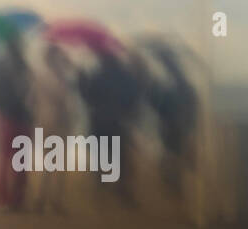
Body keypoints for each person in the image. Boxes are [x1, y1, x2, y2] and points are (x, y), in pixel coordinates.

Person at [77, 53, 142, 206]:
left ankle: (100, 189)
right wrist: (127, 113)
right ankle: (122, 192)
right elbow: (134, 97)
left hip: (99, 122)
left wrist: (82, 80)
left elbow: (88, 97)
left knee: (100, 157)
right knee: (120, 158)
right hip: (118, 122)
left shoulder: (97, 76)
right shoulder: (126, 76)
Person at [141, 44, 199, 200]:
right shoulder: (182, 85)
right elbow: (191, 106)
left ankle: (175, 184)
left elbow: (157, 105)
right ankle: (176, 184)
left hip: (173, 124)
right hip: (177, 124)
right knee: (175, 155)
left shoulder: (174, 85)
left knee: (173, 155)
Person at [0, 34, 33, 210]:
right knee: (21, 160)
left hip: (5, 117)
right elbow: (30, 93)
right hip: (23, 117)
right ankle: (18, 199)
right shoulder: (24, 66)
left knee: (4, 158)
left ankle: (3, 199)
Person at [28, 43, 76, 213]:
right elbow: (62, 99)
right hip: (57, 122)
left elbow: (31, 100)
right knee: (58, 164)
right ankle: (54, 201)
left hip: (42, 121)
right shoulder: (57, 77)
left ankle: (41, 199)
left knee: (49, 163)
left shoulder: (38, 75)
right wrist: (65, 73)